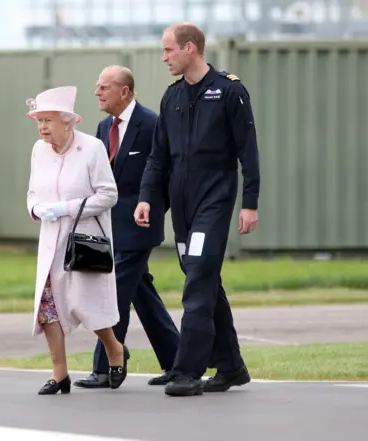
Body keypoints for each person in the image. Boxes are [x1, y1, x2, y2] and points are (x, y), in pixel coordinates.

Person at [134, 22, 261, 397]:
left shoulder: (229, 90)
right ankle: (231, 366)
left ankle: (186, 370)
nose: (164, 57)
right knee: (203, 278)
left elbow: (248, 153)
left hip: (215, 202)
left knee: (198, 280)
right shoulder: (171, 97)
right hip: (183, 209)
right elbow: (159, 157)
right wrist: (147, 197)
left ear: (190, 48)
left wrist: (249, 204)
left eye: (169, 50)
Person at [74, 66, 181, 390]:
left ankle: (106, 366)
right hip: (107, 226)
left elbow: (166, 172)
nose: (97, 92)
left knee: (114, 292)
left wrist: (153, 210)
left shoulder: (151, 124)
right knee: (141, 294)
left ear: (125, 91)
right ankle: (178, 362)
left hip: (138, 227)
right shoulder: (104, 126)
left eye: (104, 86)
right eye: (97, 86)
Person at [25, 85, 130, 395]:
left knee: (88, 306)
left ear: (68, 121)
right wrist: (36, 209)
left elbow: (109, 195)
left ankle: (114, 349)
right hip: (50, 243)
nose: (42, 127)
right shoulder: (38, 150)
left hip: (84, 241)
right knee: (49, 309)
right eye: (38, 121)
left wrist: (67, 209)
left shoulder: (93, 148)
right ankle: (60, 374)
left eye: (48, 120)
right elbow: (32, 192)